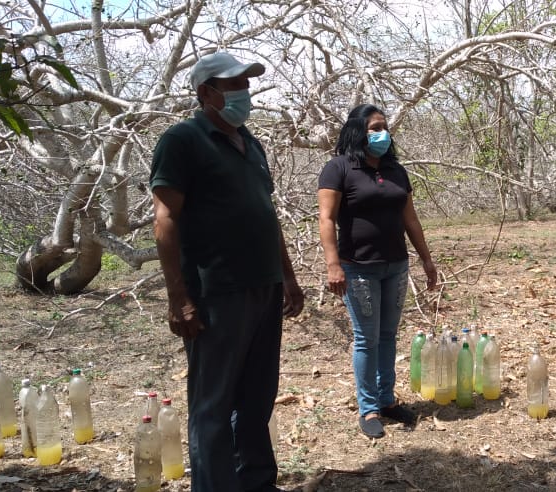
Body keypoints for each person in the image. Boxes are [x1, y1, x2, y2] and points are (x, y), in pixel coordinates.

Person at [150, 51, 305, 491]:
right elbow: (165, 218)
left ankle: (256, 481)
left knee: (257, 395)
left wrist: (287, 276)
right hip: (218, 291)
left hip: (264, 285)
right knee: (213, 403)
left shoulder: (249, 142)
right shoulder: (182, 140)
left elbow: (265, 213)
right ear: (206, 93)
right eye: (234, 84)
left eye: (246, 83)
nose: (245, 92)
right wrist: (178, 297)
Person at [317, 104, 438, 439]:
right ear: (358, 130)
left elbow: (410, 218)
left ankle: (386, 400)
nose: (382, 133)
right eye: (375, 128)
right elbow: (326, 218)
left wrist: (426, 259)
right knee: (365, 338)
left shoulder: (395, 170)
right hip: (358, 269)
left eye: (384, 127)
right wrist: (333, 264)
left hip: (396, 266)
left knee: (387, 335)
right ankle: (368, 408)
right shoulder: (339, 168)